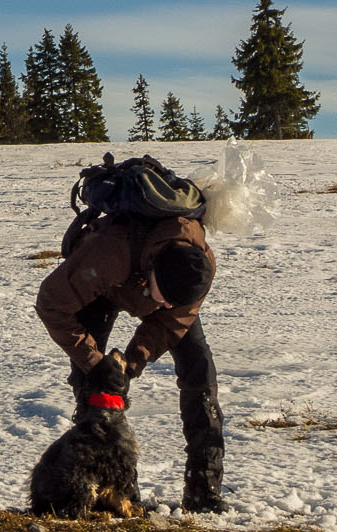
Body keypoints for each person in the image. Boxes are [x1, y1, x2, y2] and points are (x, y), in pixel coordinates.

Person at [35, 195, 225, 513]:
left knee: (200, 374)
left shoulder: (198, 271)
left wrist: (134, 362)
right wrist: (94, 362)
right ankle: (108, 490)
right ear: (152, 271)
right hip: (98, 285)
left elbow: (171, 321)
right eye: (163, 298)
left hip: (149, 281)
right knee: (91, 383)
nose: (163, 306)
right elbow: (52, 304)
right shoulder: (107, 253)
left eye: (169, 302)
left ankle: (203, 491)